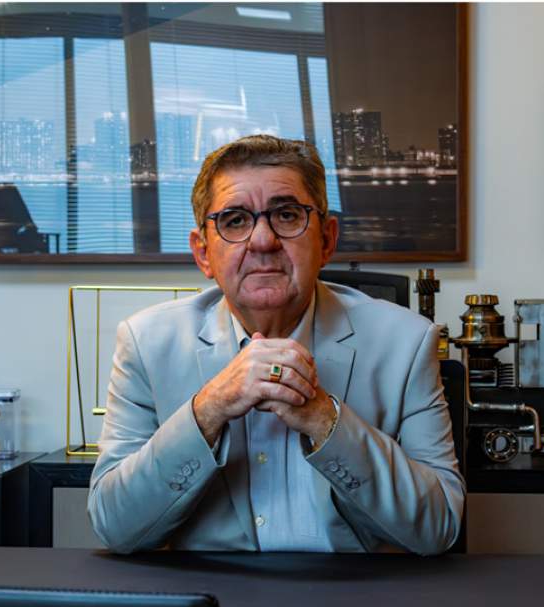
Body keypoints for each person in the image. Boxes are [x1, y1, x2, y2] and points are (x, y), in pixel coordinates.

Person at [87, 134, 464, 555]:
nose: (263, 241)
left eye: (286, 215)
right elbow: (115, 527)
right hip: (210, 588)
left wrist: (325, 420)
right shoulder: (146, 343)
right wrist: (208, 410)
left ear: (326, 240)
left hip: (355, 588)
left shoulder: (407, 342)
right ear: (203, 253)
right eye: (235, 220)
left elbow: (439, 527)